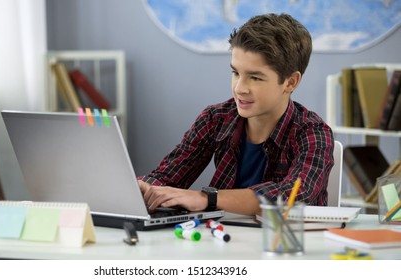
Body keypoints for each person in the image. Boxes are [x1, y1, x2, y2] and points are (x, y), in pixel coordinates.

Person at [138, 13, 334, 215]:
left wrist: (206, 198)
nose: (240, 88)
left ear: (290, 82)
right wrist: (142, 189)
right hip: (225, 240)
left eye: (255, 78)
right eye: (236, 73)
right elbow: (167, 177)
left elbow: (295, 195)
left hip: (286, 244)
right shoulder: (215, 119)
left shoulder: (314, 133)